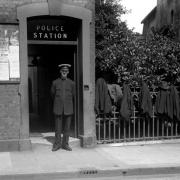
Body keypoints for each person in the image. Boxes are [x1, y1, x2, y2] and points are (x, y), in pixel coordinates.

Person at [51, 64, 75, 151]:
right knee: (58, 128)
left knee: (67, 128)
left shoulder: (72, 83)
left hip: (68, 108)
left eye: (66, 71)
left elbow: (73, 95)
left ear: (68, 72)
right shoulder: (55, 82)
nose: (64, 72)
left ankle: (65, 144)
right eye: (63, 71)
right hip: (58, 108)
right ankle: (57, 144)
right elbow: (52, 94)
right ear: (60, 72)